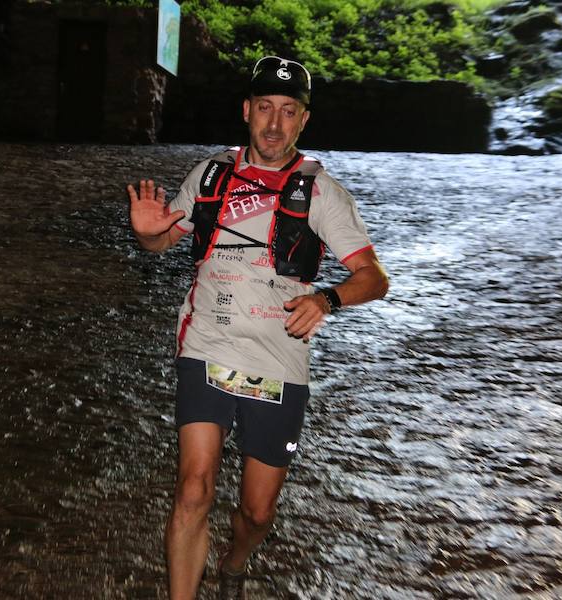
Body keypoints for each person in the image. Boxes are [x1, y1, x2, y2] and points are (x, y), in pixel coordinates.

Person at [127, 56, 389, 600]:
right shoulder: (209, 175)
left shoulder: (321, 193)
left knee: (257, 509)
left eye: (287, 112)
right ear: (246, 111)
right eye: (264, 108)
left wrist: (327, 298)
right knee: (194, 488)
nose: (274, 124)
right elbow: (163, 241)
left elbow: (373, 277)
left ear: (302, 121)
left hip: (278, 358)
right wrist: (149, 235)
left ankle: (236, 558)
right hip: (207, 343)